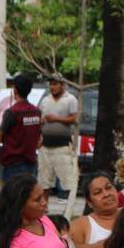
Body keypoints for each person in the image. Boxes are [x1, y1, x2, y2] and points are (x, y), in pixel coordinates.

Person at [37, 77, 78, 207]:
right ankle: (44, 207)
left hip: (62, 145)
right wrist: (42, 121)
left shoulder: (70, 99)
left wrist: (55, 118)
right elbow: (40, 118)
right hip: (45, 146)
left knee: (68, 180)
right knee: (44, 180)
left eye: (55, 84)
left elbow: (74, 119)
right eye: (51, 84)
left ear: (63, 85)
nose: (52, 87)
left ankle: (69, 207)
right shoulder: (45, 100)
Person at [70, 173, 120, 248]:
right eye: (98, 192)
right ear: (89, 202)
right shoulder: (82, 224)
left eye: (109, 187)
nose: (106, 194)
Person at [0, 75, 42, 182]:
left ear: (15, 90)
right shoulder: (36, 111)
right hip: (31, 164)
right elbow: (40, 141)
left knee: (12, 197)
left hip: (13, 165)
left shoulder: (12, 112)